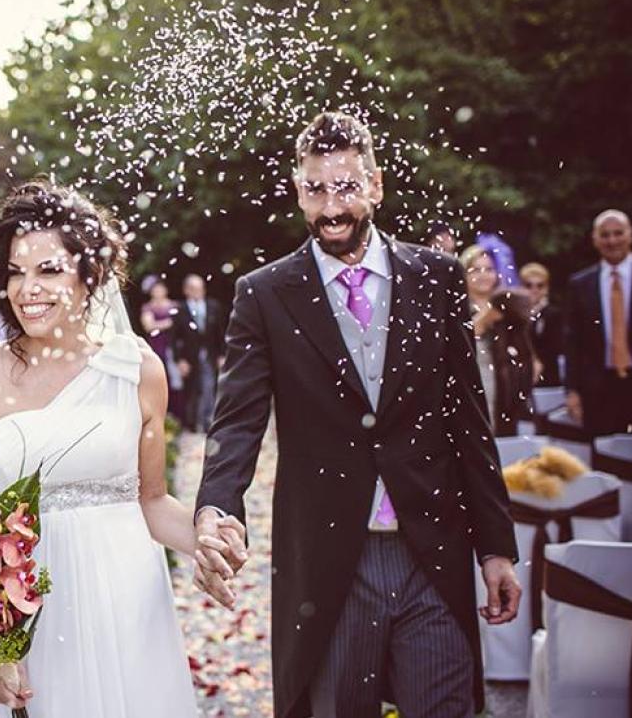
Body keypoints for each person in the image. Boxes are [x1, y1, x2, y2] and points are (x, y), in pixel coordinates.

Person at [194, 112, 519, 718]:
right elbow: (236, 422)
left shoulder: (438, 279)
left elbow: (468, 421)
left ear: (375, 186)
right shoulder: (264, 294)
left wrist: (495, 547)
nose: (331, 206)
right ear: (298, 191)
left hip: (433, 548)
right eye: (316, 189)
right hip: (330, 561)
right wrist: (217, 508)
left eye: (345, 187)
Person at [0, 182, 201, 716]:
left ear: (92, 274)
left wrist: (208, 540)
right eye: (16, 271)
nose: (27, 288)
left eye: (49, 270)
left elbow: (151, 502)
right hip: (29, 617)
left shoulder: (138, 369)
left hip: (127, 601)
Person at [563, 210, 632, 436]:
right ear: (595, 239)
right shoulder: (580, 283)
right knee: (603, 459)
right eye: (605, 235)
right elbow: (573, 341)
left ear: (630, 235)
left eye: (618, 233)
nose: (612, 240)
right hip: (598, 389)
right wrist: (572, 390)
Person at [478, 289, 539, 436]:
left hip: (495, 407)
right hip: (508, 415)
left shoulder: (510, 345)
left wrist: (484, 316)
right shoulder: (521, 344)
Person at [173, 273, 225, 432]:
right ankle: (192, 422)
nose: (198, 291)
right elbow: (174, 338)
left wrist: (222, 354)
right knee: (192, 389)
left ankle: (208, 420)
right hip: (190, 357)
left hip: (210, 353)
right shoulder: (180, 309)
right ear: (186, 290)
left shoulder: (213, 306)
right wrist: (179, 360)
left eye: (200, 288)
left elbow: (221, 332)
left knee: (209, 386)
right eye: (194, 288)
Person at [460, 245, 502, 424]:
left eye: (489, 269)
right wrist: (485, 317)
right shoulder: (457, 305)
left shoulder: (506, 303)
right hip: (476, 379)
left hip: (507, 381)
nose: (483, 275)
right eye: (476, 269)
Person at [139, 275, 183, 418]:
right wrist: (169, 323)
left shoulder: (174, 305)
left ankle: (177, 414)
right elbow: (149, 326)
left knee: (176, 379)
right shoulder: (148, 307)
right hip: (157, 346)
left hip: (173, 346)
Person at [520, 262, 565, 386]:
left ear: (546, 288)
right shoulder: (515, 314)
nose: (534, 290)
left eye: (540, 285)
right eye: (528, 285)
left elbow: (556, 348)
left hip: (547, 379)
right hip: (520, 378)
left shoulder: (553, 314)